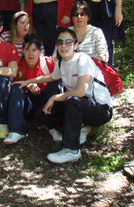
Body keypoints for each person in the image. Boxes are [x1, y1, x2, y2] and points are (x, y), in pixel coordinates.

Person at [17, 28, 112, 163]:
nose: (64, 45)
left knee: (72, 100)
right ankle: (78, 128)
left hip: (100, 109)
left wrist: (54, 97)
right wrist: (29, 81)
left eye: (68, 42)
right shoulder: (61, 62)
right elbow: (51, 77)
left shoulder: (82, 59)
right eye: (60, 42)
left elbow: (80, 92)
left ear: (75, 45)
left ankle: (71, 149)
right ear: (57, 45)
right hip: (78, 106)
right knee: (41, 112)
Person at [0, 34, 60, 144]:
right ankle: (16, 130)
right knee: (16, 87)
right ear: (22, 50)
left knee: (54, 85)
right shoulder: (18, 65)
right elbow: (13, 86)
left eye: (34, 50)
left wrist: (34, 82)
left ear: (39, 51)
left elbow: (58, 78)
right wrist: (27, 85)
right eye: (27, 49)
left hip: (45, 104)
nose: (30, 54)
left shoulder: (47, 63)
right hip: (27, 105)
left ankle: (54, 128)